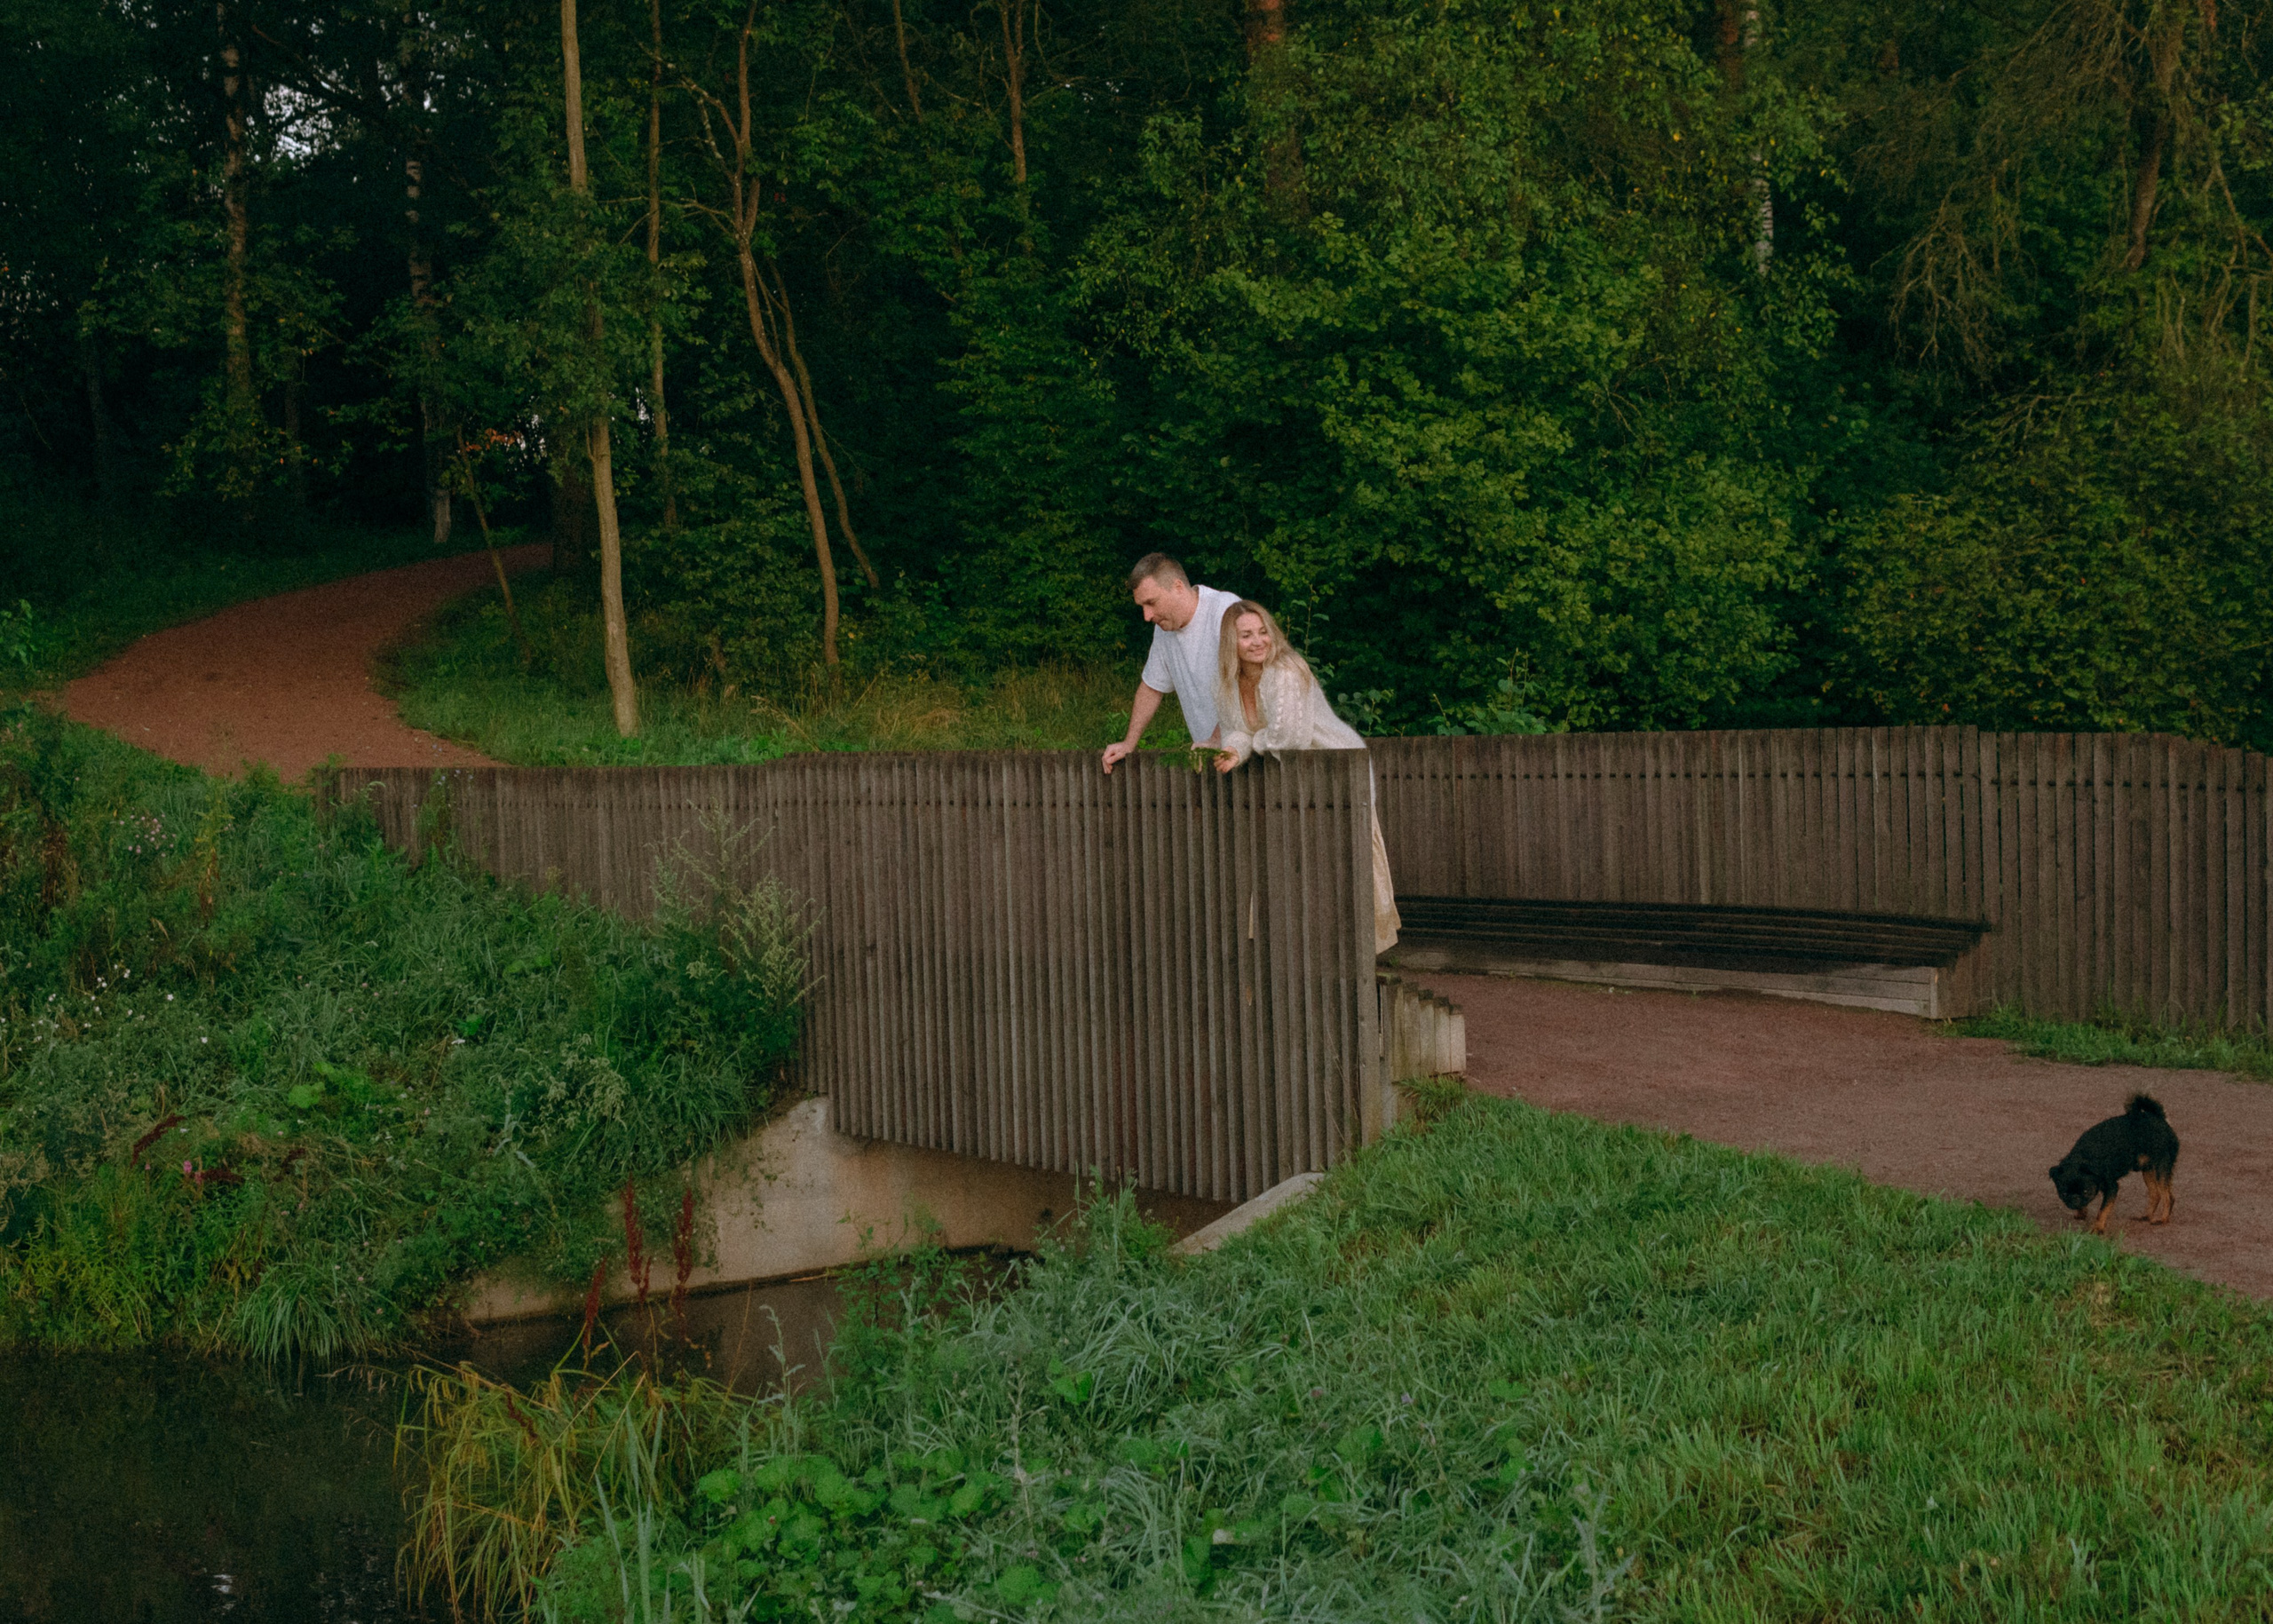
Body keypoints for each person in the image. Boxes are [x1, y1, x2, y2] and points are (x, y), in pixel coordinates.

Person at [1212, 599, 1401, 953]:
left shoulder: (1285, 671)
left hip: (1334, 774)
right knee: (1299, 869)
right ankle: (1305, 949)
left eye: (1263, 632)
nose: (1258, 641)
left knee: (1337, 868)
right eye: (1246, 635)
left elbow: (1290, 737)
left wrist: (1251, 742)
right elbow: (1236, 729)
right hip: (1296, 786)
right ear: (1230, 643)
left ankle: (1352, 951)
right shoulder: (1226, 683)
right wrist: (1236, 750)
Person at [1099, 553, 1239, 774]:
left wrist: (1216, 738)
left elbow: (1245, 681)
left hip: (1259, 756)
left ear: (1177, 587)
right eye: (1142, 606)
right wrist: (1128, 743)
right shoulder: (1164, 631)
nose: (1147, 616)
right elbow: (1152, 687)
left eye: (1151, 603)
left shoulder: (1224, 611)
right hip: (1217, 760)